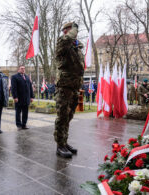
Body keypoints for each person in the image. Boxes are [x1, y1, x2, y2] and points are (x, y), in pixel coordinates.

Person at [54, 22, 84, 158]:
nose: (74, 32)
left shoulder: (76, 46)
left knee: (69, 116)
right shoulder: (62, 42)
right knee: (62, 117)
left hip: (74, 86)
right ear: (66, 31)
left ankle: (64, 142)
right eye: (71, 30)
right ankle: (60, 145)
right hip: (64, 86)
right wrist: (74, 29)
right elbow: (68, 39)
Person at [11, 65, 34, 130]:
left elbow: (30, 88)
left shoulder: (27, 77)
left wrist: (31, 96)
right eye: (21, 68)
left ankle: (24, 124)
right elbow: (13, 88)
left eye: (24, 68)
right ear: (18, 69)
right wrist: (15, 97)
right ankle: (19, 125)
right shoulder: (14, 77)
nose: (23, 69)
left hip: (26, 99)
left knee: (25, 112)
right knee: (18, 112)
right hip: (19, 98)